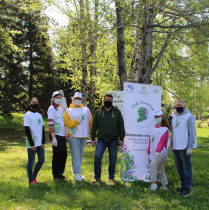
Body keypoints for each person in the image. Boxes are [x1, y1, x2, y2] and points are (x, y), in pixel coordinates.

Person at [91, 94, 125, 183]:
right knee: (97, 157)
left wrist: (121, 138)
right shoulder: (98, 112)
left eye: (109, 100)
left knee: (113, 159)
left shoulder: (117, 112)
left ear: (112, 101)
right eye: (106, 99)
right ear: (103, 100)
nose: (107, 101)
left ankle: (111, 177)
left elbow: (121, 125)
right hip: (101, 140)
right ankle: (97, 177)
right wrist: (93, 138)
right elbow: (94, 126)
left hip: (113, 140)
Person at [64, 92, 93, 181]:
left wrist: (91, 134)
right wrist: (76, 122)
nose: (78, 100)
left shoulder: (86, 110)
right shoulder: (68, 110)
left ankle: (77, 172)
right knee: (75, 154)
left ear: (81, 100)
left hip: (83, 135)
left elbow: (90, 122)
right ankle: (77, 173)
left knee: (80, 154)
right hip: (73, 135)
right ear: (73, 99)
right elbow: (66, 122)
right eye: (76, 98)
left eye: (79, 99)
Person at [172, 99, 197, 197]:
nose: (178, 106)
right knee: (179, 168)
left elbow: (192, 133)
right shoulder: (174, 117)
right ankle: (183, 185)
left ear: (184, 106)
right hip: (176, 147)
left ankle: (187, 188)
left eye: (180, 105)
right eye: (176, 105)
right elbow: (174, 132)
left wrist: (190, 146)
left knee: (187, 168)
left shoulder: (189, 117)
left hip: (185, 147)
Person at [24, 97, 45, 185]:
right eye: (33, 102)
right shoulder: (27, 115)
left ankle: (34, 176)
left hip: (39, 143)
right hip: (32, 143)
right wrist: (32, 143)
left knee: (41, 160)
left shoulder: (39, 115)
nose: (35, 104)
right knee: (31, 161)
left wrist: (43, 142)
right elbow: (27, 130)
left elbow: (42, 129)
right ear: (30, 103)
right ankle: (30, 179)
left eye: (36, 102)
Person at [147, 110, 170, 191]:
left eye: (159, 117)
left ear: (162, 117)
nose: (157, 118)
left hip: (161, 152)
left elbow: (162, 141)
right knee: (160, 169)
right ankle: (164, 186)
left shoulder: (165, 129)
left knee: (153, 164)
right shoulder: (153, 129)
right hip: (154, 152)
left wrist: (158, 151)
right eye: (156, 117)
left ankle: (153, 184)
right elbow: (150, 141)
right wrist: (149, 152)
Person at [47, 91, 67, 180]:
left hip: (61, 135)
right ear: (53, 98)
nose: (59, 99)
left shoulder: (59, 108)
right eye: (57, 97)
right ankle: (56, 174)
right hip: (56, 135)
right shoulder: (51, 109)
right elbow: (50, 123)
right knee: (57, 154)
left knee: (64, 154)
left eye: (60, 97)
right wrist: (53, 137)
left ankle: (60, 173)